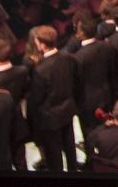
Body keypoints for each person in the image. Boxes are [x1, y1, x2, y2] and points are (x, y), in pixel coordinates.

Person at [28, 24, 80, 173]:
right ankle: (74, 175)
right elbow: (75, 80)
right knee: (69, 145)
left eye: (37, 41)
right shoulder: (67, 57)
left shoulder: (40, 69)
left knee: (54, 152)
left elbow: (37, 98)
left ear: (42, 44)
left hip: (50, 116)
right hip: (67, 108)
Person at [73, 15, 117, 136]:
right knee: (109, 128)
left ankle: (94, 155)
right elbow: (113, 71)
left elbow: (77, 84)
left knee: (91, 134)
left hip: (87, 103)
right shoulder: (107, 46)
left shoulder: (78, 58)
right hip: (107, 95)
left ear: (81, 33)